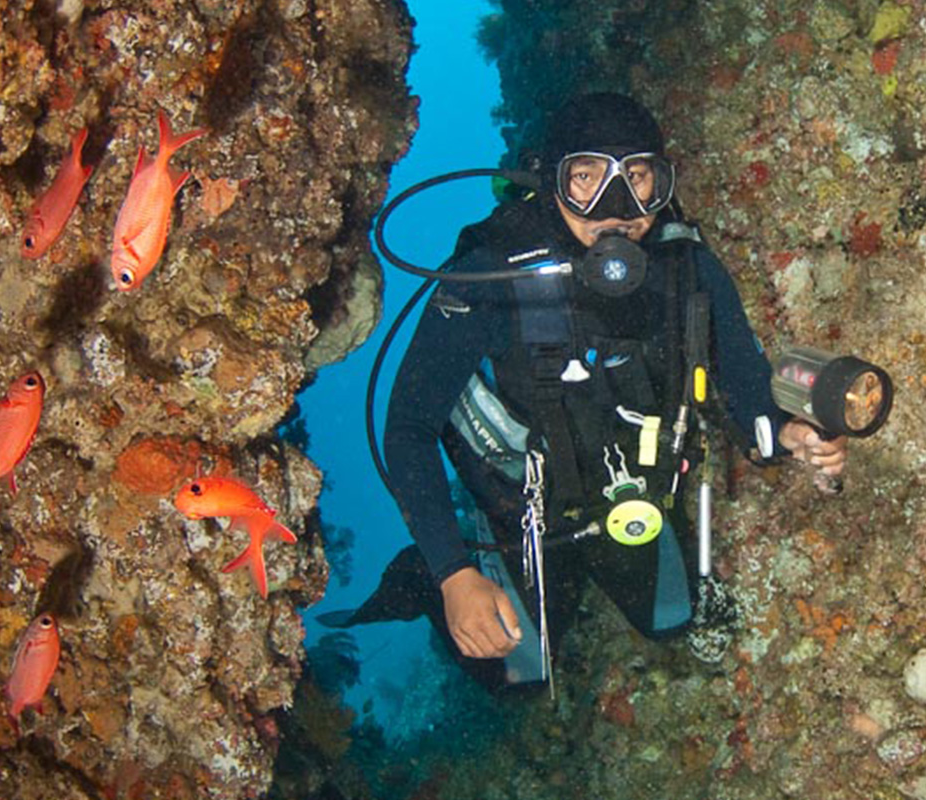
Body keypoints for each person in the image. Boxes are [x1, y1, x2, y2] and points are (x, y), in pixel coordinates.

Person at [321, 93, 847, 691]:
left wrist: (786, 433)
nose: (617, 210)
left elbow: (746, 384)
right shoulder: (491, 276)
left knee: (677, 623)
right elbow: (408, 428)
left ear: (662, 183)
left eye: (639, 178)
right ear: (552, 182)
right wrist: (452, 573)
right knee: (516, 678)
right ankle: (418, 578)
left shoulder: (685, 265)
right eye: (588, 178)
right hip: (522, 513)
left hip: (629, 501)